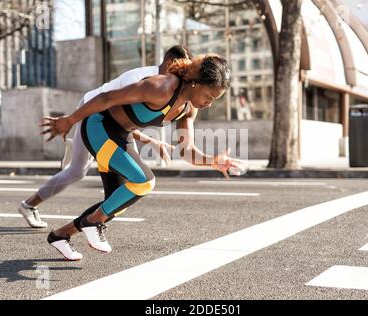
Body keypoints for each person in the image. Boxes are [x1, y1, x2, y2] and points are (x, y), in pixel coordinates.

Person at [41, 53, 243, 261]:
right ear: (195, 83)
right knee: (145, 182)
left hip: (120, 135)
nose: (209, 104)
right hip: (98, 127)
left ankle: (60, 235)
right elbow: (106, 98)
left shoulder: (188, 109)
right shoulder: (161, 87)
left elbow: (186, 150)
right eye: (209, 97)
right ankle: (92, 222)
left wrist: (213, 161)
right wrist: (69, 120)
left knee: (117, 202)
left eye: (213, 100)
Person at [18, 45, 192, 228]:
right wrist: (70, 121)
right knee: (77, 171)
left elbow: (127, 122)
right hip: (93, 111)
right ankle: (30, 205)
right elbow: (114, 112)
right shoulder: (145, 80)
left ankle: (93, 219)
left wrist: (152, 141)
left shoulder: (167, 87)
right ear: (172, 63)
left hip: (108, 122)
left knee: (116, 179)